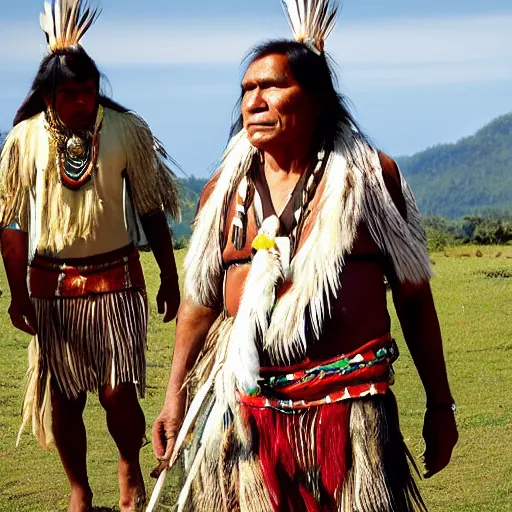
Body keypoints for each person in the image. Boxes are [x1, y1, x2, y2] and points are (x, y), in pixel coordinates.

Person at [151, 1, 458, 510]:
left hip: (351, 423)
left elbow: (414, 296)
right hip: (248, 424)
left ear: (316, 100)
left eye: (272, 86)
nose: (255, 101)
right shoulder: (221, 195)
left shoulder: (369, 180)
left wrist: (440, 403)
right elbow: (200, 303)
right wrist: (174, 396)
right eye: (247, 90)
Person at [0, 2, 180, 511]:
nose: (81, 102)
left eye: (89, 91)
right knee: (66, 397)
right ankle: (79, 488)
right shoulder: (23, 140)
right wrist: (17, 294)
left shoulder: (125, 132)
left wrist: (168, 274)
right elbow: (11, 223)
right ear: (48, 96)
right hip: (52, 288)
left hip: (117, 282)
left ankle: (128, 465)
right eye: (69, 94)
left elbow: (150, 207)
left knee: (119, 392)